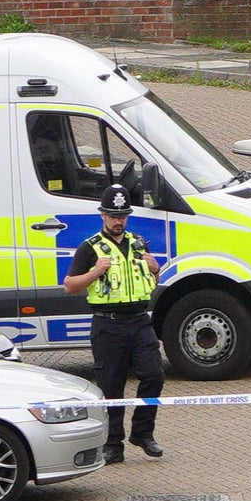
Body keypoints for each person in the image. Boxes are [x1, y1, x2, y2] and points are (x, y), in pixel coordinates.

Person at [64, 182, 165, 462]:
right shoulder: (90, 248)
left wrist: (156, 269)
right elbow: (70, 286)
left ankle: (143, 433)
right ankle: (113, 444)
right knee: (112, 386)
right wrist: (95, 272)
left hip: (139, 320)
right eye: (113, 216)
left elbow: (149, 281)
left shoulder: (138, 243)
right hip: (108, 324)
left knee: (154, 375)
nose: (118, 221)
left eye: (122, 216)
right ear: (102, 216)